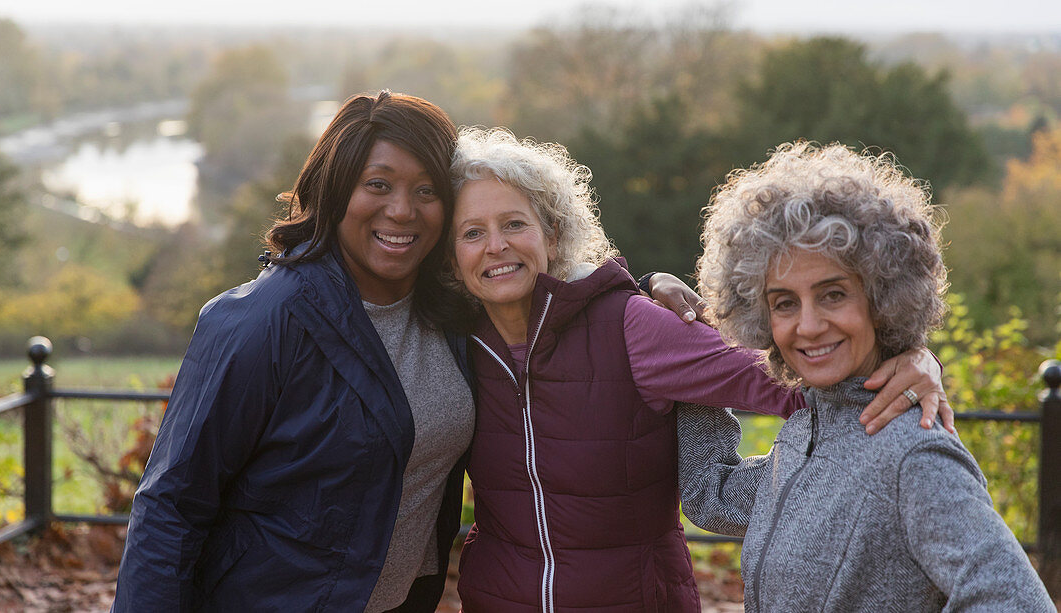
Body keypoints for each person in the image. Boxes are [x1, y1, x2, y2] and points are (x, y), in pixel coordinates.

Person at [111, 91, 701, 612]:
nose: (402, 210)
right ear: (334, 190)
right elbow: (170, 508)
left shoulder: (451, 309)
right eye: (378, 185)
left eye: (426, 191)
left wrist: (642, 286)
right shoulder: (262, 322)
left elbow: (550, 293)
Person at [446, 129, 948, 612]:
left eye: (514, 224)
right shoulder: (451, 341)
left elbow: (806, 378)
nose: (496, 246)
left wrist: (908, 358)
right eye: (473, 233)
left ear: (552, 235)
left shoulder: (632, 326)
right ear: (451, 256)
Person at [677, 142, 1053, 611]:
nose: (808, 325)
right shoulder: (806, 435)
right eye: (784, 303)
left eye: (833, 295)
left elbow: (1017, 602)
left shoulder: (912, 456)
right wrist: (675, 351)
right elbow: (711, 493)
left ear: (882, 297)